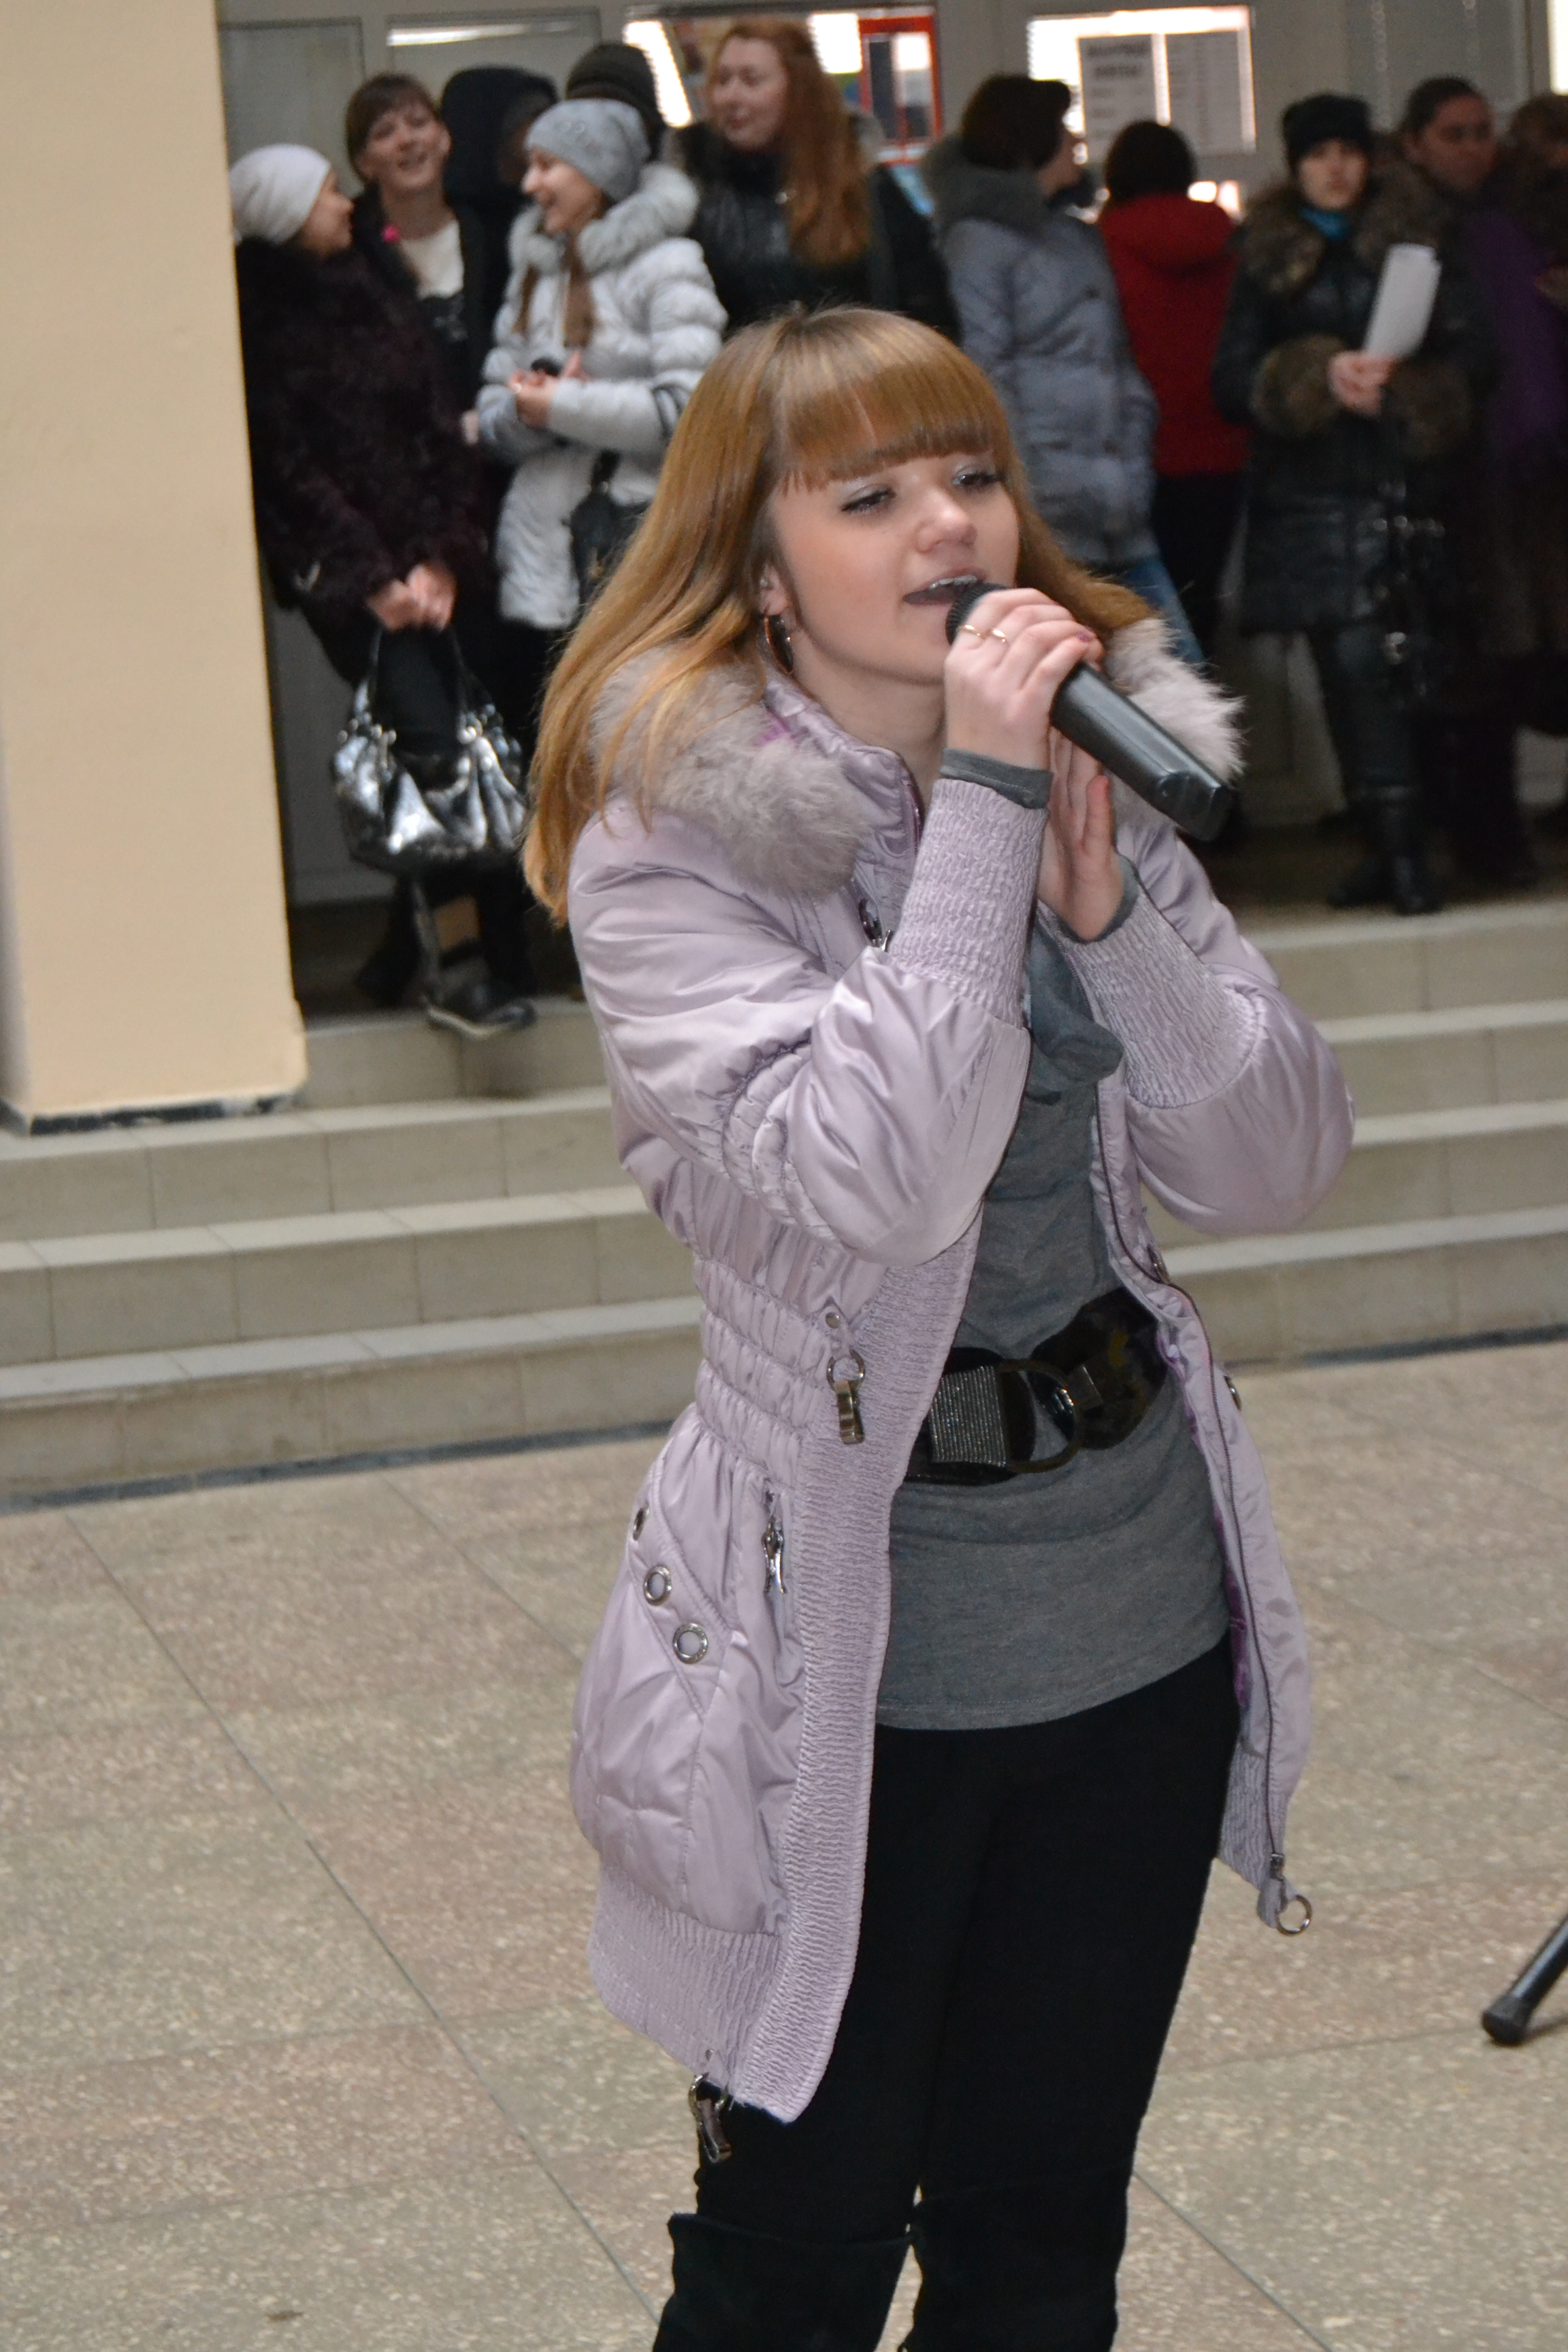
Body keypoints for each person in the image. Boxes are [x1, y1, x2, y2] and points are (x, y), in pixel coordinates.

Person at [529, 305, 1352, 2349]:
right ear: (756, 558)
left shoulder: (1098, 759)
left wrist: (1108, 916)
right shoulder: (672, 839)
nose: (948, 525)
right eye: (871, 493)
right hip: (845, 1653)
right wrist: (982, 810)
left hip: (1132, 1618)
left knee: (1040, 2240)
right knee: (792, 2258)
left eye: (972, 474)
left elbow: (1271, 1167)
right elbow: (881, 1178)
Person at [229, 145, 536, 1034]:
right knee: (433, 752)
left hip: (433, 576)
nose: (346, 205)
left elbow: (439, 431)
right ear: (284, 215)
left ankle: (408, 957)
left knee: (462, 743)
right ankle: (460, 970)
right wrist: (376, 581)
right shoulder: (260, 324)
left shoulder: (378, 287)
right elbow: (288, 472)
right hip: (360, 590)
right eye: (328, 192)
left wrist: (442, 559)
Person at [1212, 93, 1492, 915]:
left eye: (1347, 151)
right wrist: (1316, 375)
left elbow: (1478, 356)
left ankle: (1414, 851)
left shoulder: (1419, 237)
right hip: (1307, 496)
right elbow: (1231, 378)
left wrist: (1406, 388)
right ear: (1295, 166)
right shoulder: (1266, 253)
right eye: (1318, 154)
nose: (1335, 168)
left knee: (1399, 667)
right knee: (1342, 672)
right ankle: (1384, 843)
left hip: (1404, 489)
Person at [925, 76, 1203, 666]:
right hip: (1050, 512)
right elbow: (988, 374)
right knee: (1079, 675)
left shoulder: (1078, 237)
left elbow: (1118, 360)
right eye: (1061, 130)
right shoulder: (976, 244)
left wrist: (1135, 455)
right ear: (1030, 143)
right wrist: (1028, 486)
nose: (1076, 141)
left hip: (1121, 505)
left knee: (1175, 668)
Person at [476, 97, 723, 707]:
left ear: (598, 174)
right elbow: (491, 415)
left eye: (547, 166)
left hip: (634, 548)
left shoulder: (669, 265)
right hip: (540, 558)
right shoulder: (534, 273)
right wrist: (529, 410)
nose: (529, 185)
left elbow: (690, 412)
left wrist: (562, 406)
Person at [1403, 80, 1568, 876]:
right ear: (1416, 144)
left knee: (1523, 647)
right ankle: (1474, 827)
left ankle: (1496, 831)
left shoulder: (1522, 220)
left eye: (1481, 131)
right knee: (1474, 656)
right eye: (1455, 134)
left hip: (1532, 463)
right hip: (1452, 464)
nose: (1474, 148)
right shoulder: (1408, 227)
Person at [676, 17, 957, 338]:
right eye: (723, 80)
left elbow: (927, 312)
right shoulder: (691, 189)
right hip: (737, 368)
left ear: (799, 92)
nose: (731, 96)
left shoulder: (863, 183)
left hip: (851, 365)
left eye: (751, 81)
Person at [1100, 120, 1251, 660]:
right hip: (1222, 445)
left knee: (1136, 614)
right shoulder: (1228, 243)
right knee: (1203, 600)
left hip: (1138, 450)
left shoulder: (1101, 247)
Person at [343, 72, 506, 412]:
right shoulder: (351, 253)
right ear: (364, 164)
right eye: (384, 133)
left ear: (444, 138)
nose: (406, 140)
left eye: (418, 123)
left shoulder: (494, 235)